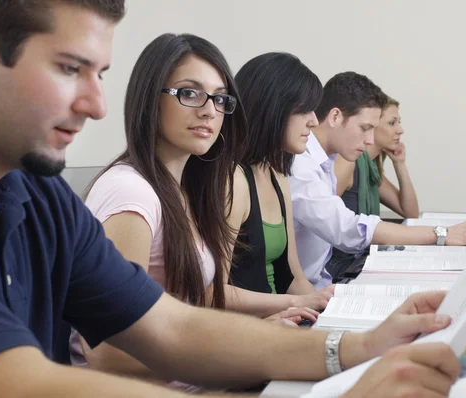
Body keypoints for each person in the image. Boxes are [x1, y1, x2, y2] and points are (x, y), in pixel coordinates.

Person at [0, 1, 461, 397]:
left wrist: (357, 349)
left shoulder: (39, 193)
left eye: (99, 75)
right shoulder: (123, 192)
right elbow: (12, 380)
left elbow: (170, 324)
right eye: (69, 68)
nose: (96, 105)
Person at [69, 34, 320, 380]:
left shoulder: (188, 189)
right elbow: (105, 353)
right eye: (189, 93)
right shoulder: (131, 194)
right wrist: (244, 348)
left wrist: (259, 332)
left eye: (220, 99)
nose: (209, 110)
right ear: (150, 99)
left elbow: (194, 304)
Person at [289, 72, 466, 288]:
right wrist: (441, 234)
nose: (369, 139)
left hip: (319, 287)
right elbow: (346, 229)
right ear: (335, 117)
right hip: (309, 293)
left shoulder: (325, 161)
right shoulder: (303, 165)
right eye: (365, 128)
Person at [227, 52, 334, 310]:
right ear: (273, 109)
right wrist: (297, 303)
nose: (314, 120)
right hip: (250, 331)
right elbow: (212, 293)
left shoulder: (277, 174)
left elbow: (293, 275)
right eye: (304, 110)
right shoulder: (233, 181)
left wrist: (325, 309)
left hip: (283, 318)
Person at [334, 96, 419, 218]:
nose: (400, 130)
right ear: (372, 125)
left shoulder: (370, 171)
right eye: (391, 123)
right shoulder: (348, 163)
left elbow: (411, 213)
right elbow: (320, 215)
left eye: (398, 123)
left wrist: (399, 164)